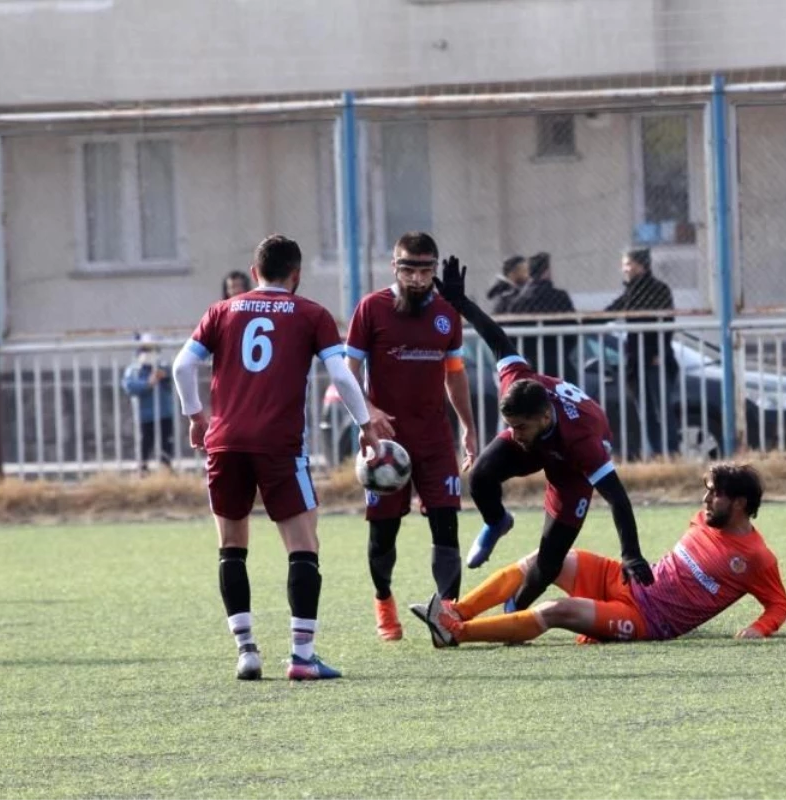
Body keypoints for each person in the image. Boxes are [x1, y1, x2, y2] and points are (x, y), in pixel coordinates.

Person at [172, 234, 377, 681]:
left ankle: (246, 651)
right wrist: (366, 424)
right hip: (279, 445)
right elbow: (340, 374)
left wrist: (195, 417)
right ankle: (302, 657)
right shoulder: (311, 314)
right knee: (304, 545)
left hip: (225, 442)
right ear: (297, 275)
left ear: (253, 271)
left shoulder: (222, 311)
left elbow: (181, 366)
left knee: (231, 546)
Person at [432, 255, 654, 614]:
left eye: (519, 427)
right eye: (509, 426)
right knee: (481, 476)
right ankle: (497, 521)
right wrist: (460, 303)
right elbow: (497, 338)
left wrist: (631, 552)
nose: (512, 434)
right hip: (544, 441)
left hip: (569, 468)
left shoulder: (582, 440)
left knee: (550, 559)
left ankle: (512, 612)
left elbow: (618, 497)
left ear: (545, 415)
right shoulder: (518, 386)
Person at [410, 462, 786, 647]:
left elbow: (778, 605)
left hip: (647, 618)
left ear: (740, 503)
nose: (706, 500)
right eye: (707, 491)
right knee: (546, 558)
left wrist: (759, 629)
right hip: (629, 581)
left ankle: (456, 633)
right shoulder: (706, 519)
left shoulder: (757, 557)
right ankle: (457, 611)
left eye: (715, 495)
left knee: (557, 610)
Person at [345, 231, 479, 642]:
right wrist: (366, 413)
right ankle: (384, 601)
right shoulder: (372, 309)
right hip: (385, 443)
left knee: (446, 523)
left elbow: (454, 376)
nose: (418, 278)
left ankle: (447, 615)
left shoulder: (445, 313)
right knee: (383, 531)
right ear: (395, 268)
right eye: (410, 269)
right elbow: (347, 372)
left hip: (434, 439)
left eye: (426, 270)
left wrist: (468, 428)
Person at [604, 248, 679, 459]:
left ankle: (671, 453)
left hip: (655, 360)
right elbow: (611, 311)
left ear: (642, 266)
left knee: (662, 409)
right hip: (636, 362)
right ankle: (657, 453)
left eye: (629, 264)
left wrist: (658, 353)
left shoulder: (658, 290)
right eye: (624, 264)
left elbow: (667, 324)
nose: (625, 269)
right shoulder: (631, 292)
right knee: (645, 411)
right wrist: (583, 319)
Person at [503, 252, 578, 376]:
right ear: (547, 271)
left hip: (530, 364)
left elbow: (511, 334)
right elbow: (572, 331)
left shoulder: (518, 301)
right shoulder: (559, 297)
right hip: (558, 362)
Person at [121, 333, 175, 476]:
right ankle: (142, 468)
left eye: (153, 349)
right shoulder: (134, 370)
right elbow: (130, 386)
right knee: (145, 442)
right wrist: (148, 383)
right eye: (146, 350)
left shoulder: (162, 366)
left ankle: (166, 468)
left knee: (166, 441)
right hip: (145, 415)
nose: (150, 353)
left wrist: (164, 376)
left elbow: (172, 376)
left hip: (164, 413)